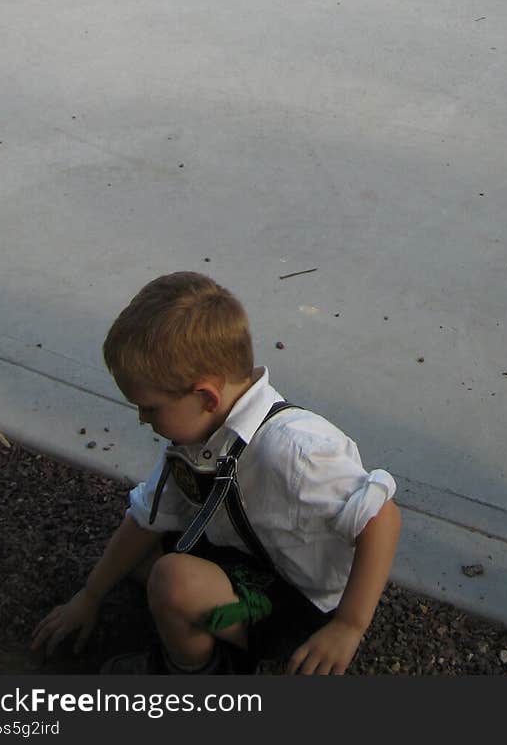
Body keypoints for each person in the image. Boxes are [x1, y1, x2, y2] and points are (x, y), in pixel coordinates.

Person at [31, 272, 401, 675]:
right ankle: (199, 618)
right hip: (243, 556)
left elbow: (381, 517)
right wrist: (90, 594)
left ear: (205, 396)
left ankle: (199, 669)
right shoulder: (199, 436)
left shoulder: (295, 449)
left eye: (150, 407)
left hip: (297, 603)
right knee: (140, 559)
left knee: (171, 579)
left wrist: (349, 626)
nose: (141, 418)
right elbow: (147, 520)